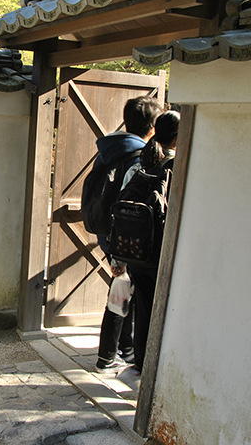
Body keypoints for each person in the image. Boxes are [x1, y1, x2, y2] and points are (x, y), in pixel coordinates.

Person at [92, 96, 163, 373]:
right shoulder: (138, 156)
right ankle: (107, 355)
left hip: (109, 232)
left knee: (124, 289)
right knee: (121, 291)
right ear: (153, 126)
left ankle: (125, 349)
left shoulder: (112, 149)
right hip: (125, 235)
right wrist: (120, 252)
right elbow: (127, 205)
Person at [119, 109, 180, 379]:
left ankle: (141, 362)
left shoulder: (140, 164)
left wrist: (118, 256)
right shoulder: (178, 167)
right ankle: (158, 365)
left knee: (142, 307)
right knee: (164, 308)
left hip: (135, 250)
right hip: (160, 251)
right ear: (178, 137)